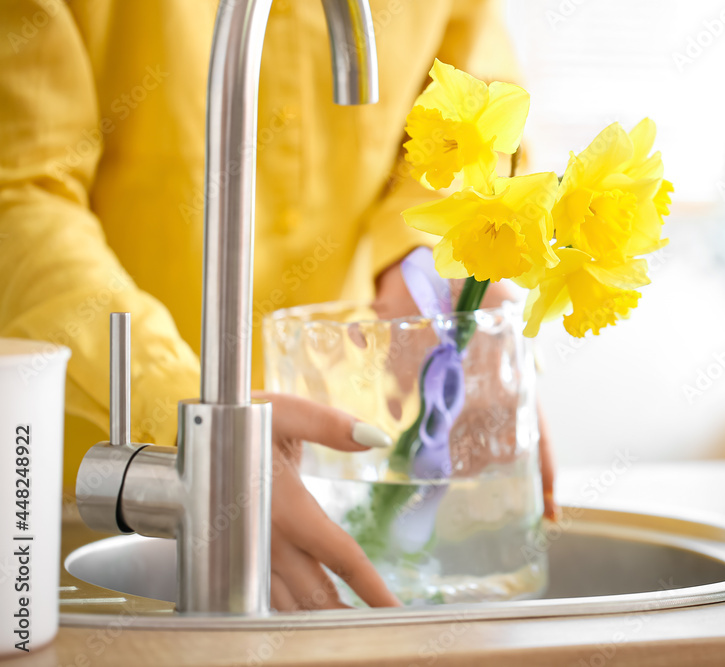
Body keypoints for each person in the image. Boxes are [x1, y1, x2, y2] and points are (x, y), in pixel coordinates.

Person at [0, 0, 555, 610]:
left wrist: (427, 266)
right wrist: (187, 418)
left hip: (338, 469)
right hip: (77, 491)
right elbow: (20, 193)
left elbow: (476, 104)